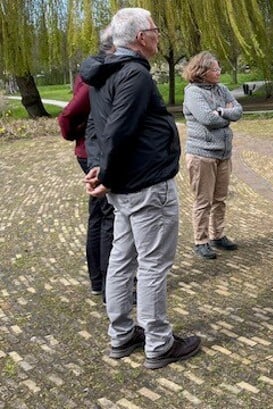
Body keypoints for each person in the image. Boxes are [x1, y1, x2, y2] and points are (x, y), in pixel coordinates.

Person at [80, 7, 201, 370]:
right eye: (154, 29)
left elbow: (97, 129)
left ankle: (121, 335)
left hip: (126, 185)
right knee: (151, 265)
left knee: (122, 259)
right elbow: (115, 131)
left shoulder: (103, 72)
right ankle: (159, 343)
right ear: (139, 38)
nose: (158, 35)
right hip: (146, 185)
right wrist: (106, 177)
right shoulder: (133, 74)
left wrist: (100, 169)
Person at [58, 28, 115, 300]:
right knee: (107, 216)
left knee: (98, 214)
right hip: (94, 153)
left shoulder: (96, 68)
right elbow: (70, 113)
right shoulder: (98, 72)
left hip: (92, 149)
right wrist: (74, 134)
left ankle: (98, 280)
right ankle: (108, 284)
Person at [182, 51, 243, 260]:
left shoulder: (222, 89)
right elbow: (207, 118)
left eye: (219, 69)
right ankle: (201, 240)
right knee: (203, 200)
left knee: (220, 198)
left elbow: (238, 111)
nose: (219, 72)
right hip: (202, 155)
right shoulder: (193, 92)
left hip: (223, 154)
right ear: (202, 71)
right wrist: (223, 114)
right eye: (215, 69)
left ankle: (217, 234)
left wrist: (222, 112)